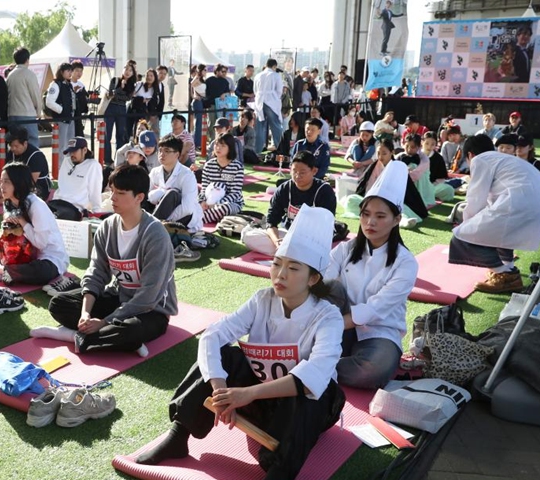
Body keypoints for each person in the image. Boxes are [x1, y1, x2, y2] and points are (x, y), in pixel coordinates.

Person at [137, 206, 345, 480]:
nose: (280, 274)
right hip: (257, 393)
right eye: (276, 263)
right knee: (224, 357)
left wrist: (247, 395)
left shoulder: (328, 316)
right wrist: (220, 390)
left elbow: (314, 376)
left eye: (293, 268)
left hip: (305, 408)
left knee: (310, 395)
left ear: (313, 278)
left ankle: (280, 472)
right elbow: (213, 335)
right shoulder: (262, 300)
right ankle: (179, 434)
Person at [32, 164, 177, 357]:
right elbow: (96, 272)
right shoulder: (107, 227)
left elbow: (148, 297)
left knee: (131, 330)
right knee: (60, 303)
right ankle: (106, 338)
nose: (113, 198)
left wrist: (105, 321)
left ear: (139, 198)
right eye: (112, 191)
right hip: (118, 297)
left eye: (121, 193)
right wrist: (85, 313)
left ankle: (75, 336)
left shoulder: (155, 235)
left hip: (152, 310)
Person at [324, 161, 417, 389]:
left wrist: (334, 325)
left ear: (396, 220)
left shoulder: (406, 263)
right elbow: (322, 281)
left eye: (380, 216)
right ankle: (317, 359)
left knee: (370, 371)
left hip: (380, 331)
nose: (370, 222)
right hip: (340, 323)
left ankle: (316, 365)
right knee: (328, 287)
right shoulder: (346, 249)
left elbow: (376, 308)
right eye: (365, 214)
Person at [448, 134, 540, 293]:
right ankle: (509, 270)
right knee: (499, 230)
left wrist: (467, 226)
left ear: (470, 155)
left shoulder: (481, 159)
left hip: (520, 203)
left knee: (461, 236)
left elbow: (476, 198)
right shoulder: (506, 160)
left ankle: (503, 273)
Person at [243, 151, 337, 255]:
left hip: (313, 239)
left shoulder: (324, 191)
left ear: (314, 171)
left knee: (318, 250)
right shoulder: (284, 189)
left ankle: (289, 253)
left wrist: (301, 241)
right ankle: (290, 253)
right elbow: (271, 221)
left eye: (302, 172)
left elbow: (325, 227)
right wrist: (277, 242)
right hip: (288, 235)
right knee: (248, 236)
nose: (297, 176)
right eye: (294, 171)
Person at [0, 163, 70, 287]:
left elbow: (41, 244)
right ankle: (10, 270)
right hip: (22, 252)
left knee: (42, 271)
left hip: (48, 257)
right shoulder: (9, 201)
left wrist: (22, 221)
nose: (2, 186)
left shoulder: (36, 205)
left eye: (6, 182)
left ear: (18, 182)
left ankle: (3, 270)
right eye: (1, 181)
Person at [343, 139, 428, 229]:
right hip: (373, 201)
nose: (380, 156)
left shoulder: (398, 167)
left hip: (391, 202)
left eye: (384, 153)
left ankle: (402, 221)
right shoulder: (374, 165)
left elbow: (402, 191)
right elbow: (368, 187)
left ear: (392, 152)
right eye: (378, 153)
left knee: (401, 209)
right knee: (351, 199)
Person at [147, 135, 203, 232]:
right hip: (157, 214)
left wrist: (163, 221)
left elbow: (187, 208)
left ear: (177, 154)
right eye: (160, 150)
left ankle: (151, 227)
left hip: (183, 217)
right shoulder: (154, 172)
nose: (162, 154)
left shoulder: (187, 174)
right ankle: (149, 225)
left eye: (167, 151)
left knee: (172, 194)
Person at [49, 137, 103, 220]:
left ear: (84, 150)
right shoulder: (66, 161)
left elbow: (95, 192)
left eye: (74, 151)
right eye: (70, 152)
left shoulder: (93, 165)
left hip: (73, 208)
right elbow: (61, 185)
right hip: (56, 203)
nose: (71, 154)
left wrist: (97, 213)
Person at [198, 133, 245, 224]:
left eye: (222, 146)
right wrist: (202, 201)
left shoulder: (237, 167)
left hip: (231, 203)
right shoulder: (208, 165)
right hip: (208, 201)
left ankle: (198, 219)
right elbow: (204, 188)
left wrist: (216, 204)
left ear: (230, 148)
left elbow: (235, 193)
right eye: (216, 144)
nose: (218, 148)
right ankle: (209, 215)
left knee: (224, 208)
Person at [6, 47, 43, 148]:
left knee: (15, 143)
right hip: (27, 114)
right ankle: (32, 163)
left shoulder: (10, 75)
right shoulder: (29, 74)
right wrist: (39, 112)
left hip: (12, 114)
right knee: (31, 142)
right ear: (27, 59)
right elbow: (36, 95)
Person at [4, 126, 52, 201]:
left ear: (25, 143)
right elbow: (5, 174)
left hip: (37, 188)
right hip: (15, 185)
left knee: (25, 196)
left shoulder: (36, 156)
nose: (13, 148)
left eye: (16, 146)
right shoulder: (11, 153)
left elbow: (31, 183)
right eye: (11, 146)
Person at [104, 64, 137, 164]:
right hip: (110, 108)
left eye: (130, 70)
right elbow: (111, 94)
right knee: (107, 135)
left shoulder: (132, 85)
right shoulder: (115, 80)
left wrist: (118, 94)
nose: (127, 72)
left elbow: (127, 98)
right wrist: (120, 88)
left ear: (133, 73)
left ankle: (120, 159)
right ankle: (107, 159)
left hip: (122, 109)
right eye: (126, 69)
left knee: (120, 135)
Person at [253, 59, 284, 154]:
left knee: (259, 127)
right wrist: (275, 98)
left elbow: (255, 90)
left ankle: (257, 150)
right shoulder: (276, 75)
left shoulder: (258, 75)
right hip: (271, 101)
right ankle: (280, 148)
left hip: (259, 101)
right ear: (274, 66)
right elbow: (279, 90)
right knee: (276, 126)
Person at [45, 62, 76, 154]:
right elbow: (49, 102)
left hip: (70, 117)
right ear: (61, 72)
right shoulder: (55, 84)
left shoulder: (68, 84)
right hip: (61, 118)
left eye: (71, 71)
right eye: (68, 71)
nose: (70, 73)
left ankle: (67, 165)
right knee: (61, 145)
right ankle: (59, 167)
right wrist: (62, 110)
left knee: (70, 144)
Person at [421, 132, 456, 201]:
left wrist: (430, 186)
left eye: (432, 144)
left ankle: (426, 194)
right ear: (422, 142)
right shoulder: (417, 155)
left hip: (432, 186)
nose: (429, 146)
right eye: (427, 143)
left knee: (449, 190)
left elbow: (440, 179)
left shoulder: (438, 158)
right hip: (417, 186)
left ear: (436, 145)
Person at [204, 65, 231, 141]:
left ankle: (220, 139)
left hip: (221, 105)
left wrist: (224, 94)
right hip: (211, 104)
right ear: (216, 71)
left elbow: (228, 93)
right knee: (212, 123)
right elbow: (205, 92)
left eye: (224, 72)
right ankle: (212, 140)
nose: (222, 73)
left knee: (221, 123)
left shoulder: (225, 81)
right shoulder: (209, 80)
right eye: (221, 71)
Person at [190, 64, 207, 149]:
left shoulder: (202, 79)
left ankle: (199, 142)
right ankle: (197, 143)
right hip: (197, 101)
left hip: (202, 101)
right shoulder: (196, 78)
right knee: (199, 122)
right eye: (205, 70)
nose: (206, 72)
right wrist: (193, 96)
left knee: (201, 122)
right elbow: (191, 85)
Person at [71, 61, 88, 137]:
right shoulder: (68, 83)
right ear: (72, 71)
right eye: (77, 70)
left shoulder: (81, 85)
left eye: (81, 71)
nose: (79, 73)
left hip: (79, 114)